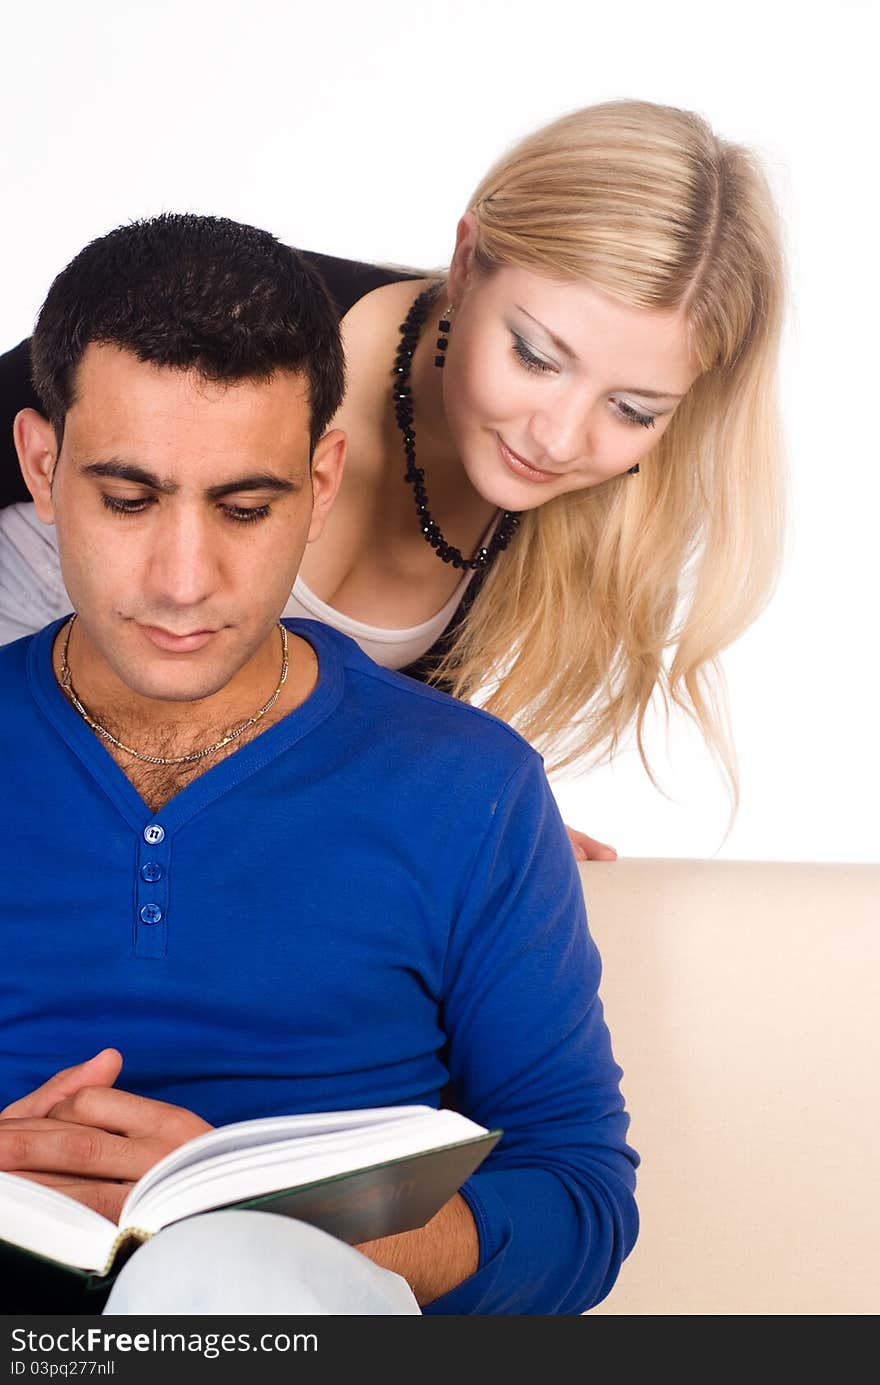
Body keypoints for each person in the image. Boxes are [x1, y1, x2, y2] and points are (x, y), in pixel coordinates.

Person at [0, 212, 638, 1315]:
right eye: (128, 498)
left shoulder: (468, 790)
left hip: (291, 1323)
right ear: (42, 465)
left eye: (247, 507)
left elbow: (580, 1200)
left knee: (219, 1280)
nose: (184, 580)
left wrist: (327, 1239)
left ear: (324, 476)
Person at [0, 98, 787, 863]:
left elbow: (315, 743)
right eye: (536, 358)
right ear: (468, 260)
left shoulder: (558, 512)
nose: (558, 437)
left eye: (632, 408)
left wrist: (465, 815)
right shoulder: (247, 332)